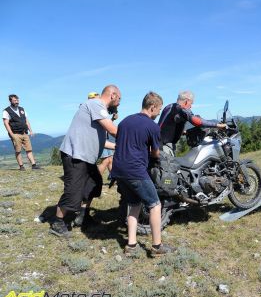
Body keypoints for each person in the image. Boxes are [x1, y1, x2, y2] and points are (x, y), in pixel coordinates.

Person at [49, 85, 121, 238]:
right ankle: (57, 222)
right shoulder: (96, 104)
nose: (119, 103)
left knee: (94, 184)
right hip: (76, 155)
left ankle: (82, 216)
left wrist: (118, 146)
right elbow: (113, 130)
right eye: (119, 99)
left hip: (86, 157)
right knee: (73, 190)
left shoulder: (97, 109)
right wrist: (134, 137)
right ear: (113, 95)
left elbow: (101, 141)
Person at [111, 91, 175, 257]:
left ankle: (131, 245)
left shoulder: (125, 121)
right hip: (135, 171)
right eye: (159, 109)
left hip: (118, 170)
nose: (159, 113)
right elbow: (155, 153)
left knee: (134, 205)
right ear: (152, 107)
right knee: (155, 205)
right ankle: (157, 246)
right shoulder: (152, 127)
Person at [158, 90, 226, 156]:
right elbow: (197, 121)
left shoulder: (171, 107)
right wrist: (217, 125)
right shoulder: (180, 108)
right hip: (163, 147)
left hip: (158, 144)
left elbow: (168, 126)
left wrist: (183, 132)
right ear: (186, 101)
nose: (191, 106)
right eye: (191, 103)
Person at [2, 94, 41, 170]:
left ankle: (34, 165)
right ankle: (21, 166)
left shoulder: (22, 109)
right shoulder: (6, 111)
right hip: (15, 133)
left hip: (24, 133)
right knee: (18, 151)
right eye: (15, 100)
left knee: (29, 149)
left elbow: (26, 121)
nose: (17, 102)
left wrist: (31, 131)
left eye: (17, 100)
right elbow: (6, 123)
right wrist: (12, 134)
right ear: (10, 101)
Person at [97, 107, 118, 178]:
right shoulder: (98, 111)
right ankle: (94, 180)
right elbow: (104, 126)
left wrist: (112, 119)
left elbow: (105, 126)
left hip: (105, 139)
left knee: (110, 160)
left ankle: (113, 178)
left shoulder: (99, 111)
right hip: (101, 139)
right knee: (105, 161)